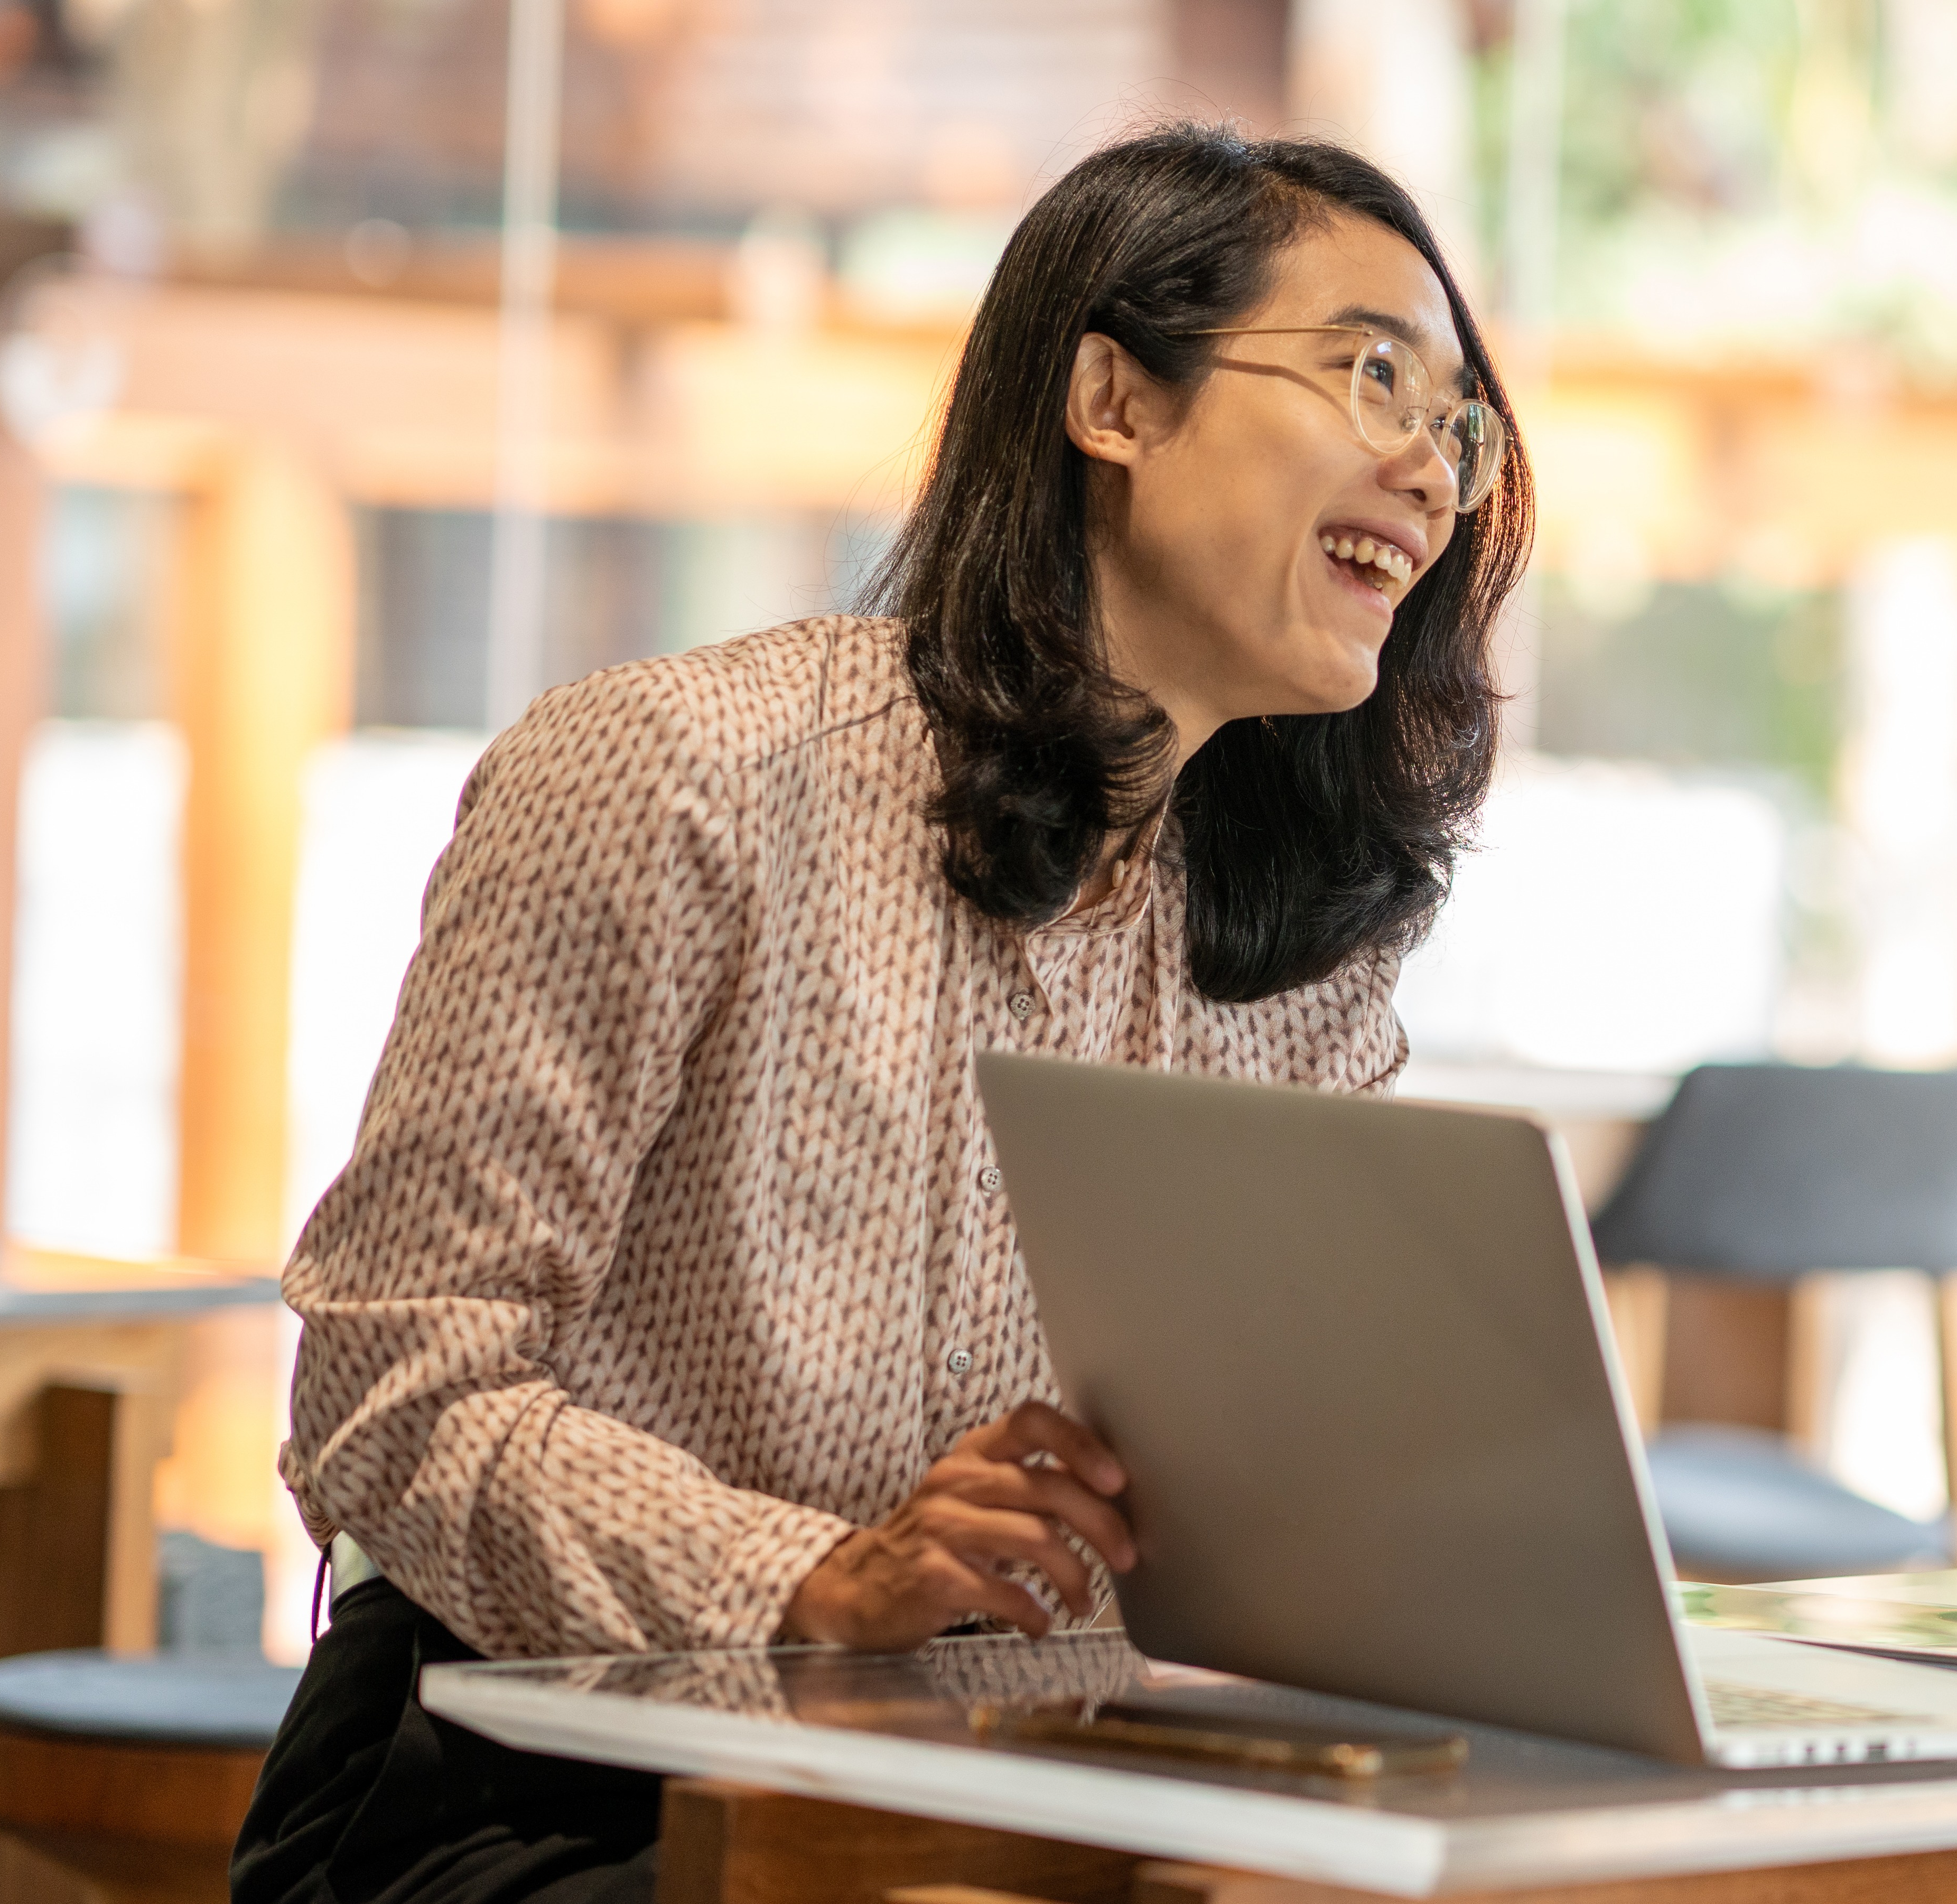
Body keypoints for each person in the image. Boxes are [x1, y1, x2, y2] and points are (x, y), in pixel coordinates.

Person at [232, 126, 1528, 1904]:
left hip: (1033, 1808)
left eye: (1455, 425)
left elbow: (1253, 1508)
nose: (1431, 468)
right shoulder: (675, 776)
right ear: (1113, 402)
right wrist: (809, 1583)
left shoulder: (1301, 966)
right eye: (1372, 371)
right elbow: (390, 1389)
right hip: (535, 1792)